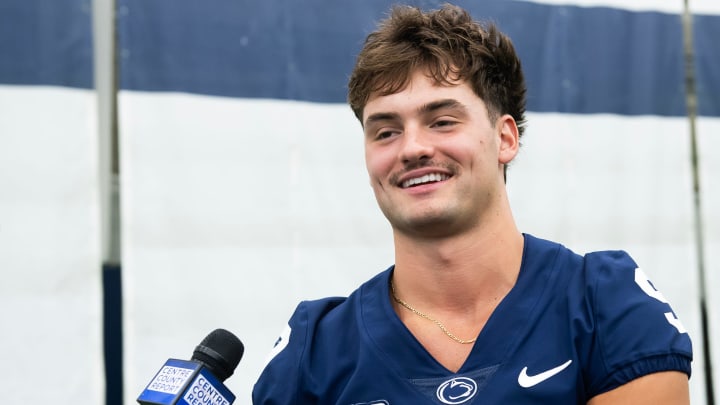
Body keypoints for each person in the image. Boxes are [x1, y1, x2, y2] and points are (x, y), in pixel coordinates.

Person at [252, 4, 692, 404]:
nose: (412, 149)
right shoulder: (316, 350)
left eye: (442, 121)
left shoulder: (604, 303)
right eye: (385, 131)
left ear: (505, 138)